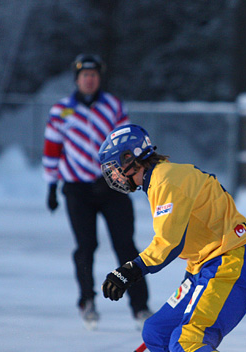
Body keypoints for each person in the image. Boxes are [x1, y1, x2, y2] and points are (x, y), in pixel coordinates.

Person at [97, 124, 246, 352]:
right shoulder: (160, 181)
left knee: (189, 338)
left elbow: (168, 244)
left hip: (234, 260)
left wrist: (128, 271)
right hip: (208, 266)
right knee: (157, 333)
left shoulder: (165, 179)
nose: (113, 175)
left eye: (113, 167)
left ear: (130, 159)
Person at [42, 54, 151, 331]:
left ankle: (140, 306)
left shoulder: (113, 106)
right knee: (86, 247)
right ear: (77, 79)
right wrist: (51, 185)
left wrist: (132, 176)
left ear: (99, 78)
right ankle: (87, 301)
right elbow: (53, 148)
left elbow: (128, 143)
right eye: (84, 75)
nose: (89, 80)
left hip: (112, 185)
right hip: (77, 188)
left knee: (125, 245)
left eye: (94, 75)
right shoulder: (61, 110)